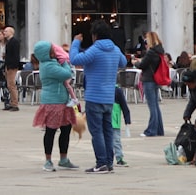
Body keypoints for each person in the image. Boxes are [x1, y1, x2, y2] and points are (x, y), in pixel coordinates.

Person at [70, 19, 127, 174]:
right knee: (108, 131)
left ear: (94, 35)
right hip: (109, 97)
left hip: (94, 96)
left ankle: (101, 162)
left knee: (97, 132)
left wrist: (75, 43)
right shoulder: (114, 49)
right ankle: (108, 162)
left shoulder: (95, 50)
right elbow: (123, 62)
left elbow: (74, 59)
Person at [32, 41, 79, 172]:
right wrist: (64, 61)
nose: (55, 51)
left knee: (66, 129)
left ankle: (63, 158)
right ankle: (48, 160)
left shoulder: (51, 63)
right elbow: (66, 73)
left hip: (63, 101)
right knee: (51, 131)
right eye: (52, 50)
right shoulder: (48, 65)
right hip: (53, 102)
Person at [133, 31, 166, 137]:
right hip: (155, 79)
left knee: (152, 106)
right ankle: (159, 130)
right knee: (155, 106)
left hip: (149, 79)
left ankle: (151, 130)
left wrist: (135, 62)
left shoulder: (151, 52)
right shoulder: (159, 51)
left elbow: (142, 65)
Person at [112, 85, 132, 167]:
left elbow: (124, 106)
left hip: (114, 121)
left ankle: (119, 158)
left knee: (116, 140)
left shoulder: (117, 90)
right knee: (107, 141)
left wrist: (127, 120)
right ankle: (105, 158)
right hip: (105, 120)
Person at [3, 26, 21, 111]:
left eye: (6, 31)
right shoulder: (9, 42)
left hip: (12, 66)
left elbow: (15, 55)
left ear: (11, 32)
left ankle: (15, 104)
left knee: (12, 85)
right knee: (9, 85)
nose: (4, 33)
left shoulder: (14, 42)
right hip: (8, 65)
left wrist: (12, 65)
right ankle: (12, 102)